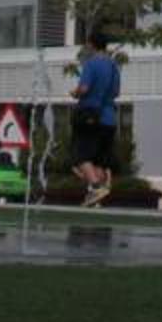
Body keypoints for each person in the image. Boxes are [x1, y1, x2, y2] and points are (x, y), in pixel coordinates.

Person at [70, 24, 120, 209]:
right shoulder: (113, 65)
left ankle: (96, 187)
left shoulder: (91, 64)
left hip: (90, 116)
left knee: (80, 156)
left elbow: (84, 88)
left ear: (91, 44)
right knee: (98, 161)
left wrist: (75, 93)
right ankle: (96, 198)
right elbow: (116, 92)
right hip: (109, 118)